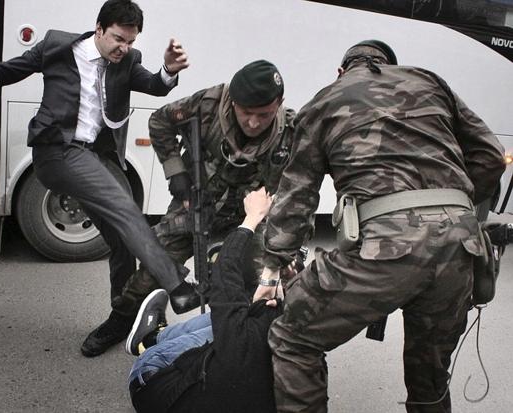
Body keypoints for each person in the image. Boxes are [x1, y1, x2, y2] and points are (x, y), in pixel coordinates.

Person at [0, 0, 199, 357]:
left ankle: (121, 318)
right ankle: (177, 286)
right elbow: (6, 71)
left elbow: (156, 86)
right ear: (99, 29)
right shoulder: (58, 47)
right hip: (57, 152)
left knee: (122, 236)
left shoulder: (127, 60)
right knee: (125, 208)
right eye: (118, 39)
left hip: (97, 156)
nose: (124, 48)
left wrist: (168, 70)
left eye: (131, 41)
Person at [254, 40, 505, 412]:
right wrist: (455, 208)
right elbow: (491, 157)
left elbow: (297, 197)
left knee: (293, 338)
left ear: (341, 72)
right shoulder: (429, 81)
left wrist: (273, 265)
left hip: (385, 248)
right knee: (429, 377)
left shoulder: (325, 101)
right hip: (461, 246)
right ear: (391, 66)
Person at [86, 59, 297, 357]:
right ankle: (121, 320)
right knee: (154, 266)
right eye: (246, 113)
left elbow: (298, 195)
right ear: (233, 102)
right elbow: (160, 121)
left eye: (264, 114)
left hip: (251, 218)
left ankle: (249, 343)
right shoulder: (210, 103)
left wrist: (285, 248)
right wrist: (177, 174)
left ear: (279, 103)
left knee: (260, 282)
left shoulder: (291, 131)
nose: (253, 123)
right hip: (196, 203)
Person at [126, 187, 283, 413]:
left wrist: (252, 218)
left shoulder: (242, 338)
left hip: (149, 387)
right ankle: (152, 338)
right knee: (229, 326)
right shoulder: (306, 365)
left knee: (220, 326)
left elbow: (225, 272)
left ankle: (148, 342)